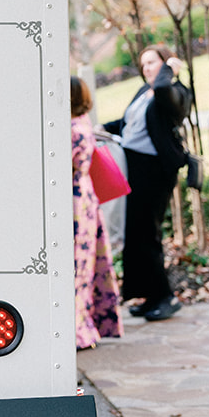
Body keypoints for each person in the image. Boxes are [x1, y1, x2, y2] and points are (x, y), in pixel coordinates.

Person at [102, 44, 192, 322]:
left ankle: (166, 298)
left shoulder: (176, 92)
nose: (147, 69)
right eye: (143, 65)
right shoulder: (144, 91)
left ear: (167, 63)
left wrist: (170, 71)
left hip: (155, 172)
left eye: (152, 62)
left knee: (148, 233)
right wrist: (103, 128)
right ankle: (148, 295)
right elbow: (127, 122)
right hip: (134, 168)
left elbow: (164, 89)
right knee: (135, 233)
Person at [70, 75, 123, 350]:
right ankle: (87, 325)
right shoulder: (83, 122)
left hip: (75, 202)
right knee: (88, 264)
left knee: (76, 266)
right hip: (87, 197)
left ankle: (77, 329)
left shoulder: (71, 130)